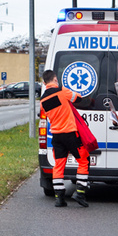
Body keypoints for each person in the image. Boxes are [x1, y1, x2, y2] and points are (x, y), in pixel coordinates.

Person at [40, 69, 89, 207]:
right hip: (70, 134)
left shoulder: (42, 100)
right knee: (84, 160)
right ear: (55, 79)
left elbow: (46, 114)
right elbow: (78, 98)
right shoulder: (62, 91)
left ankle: (59, 198)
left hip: (56, 136)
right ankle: (80, 193)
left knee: (58, 165)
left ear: (44, 83)